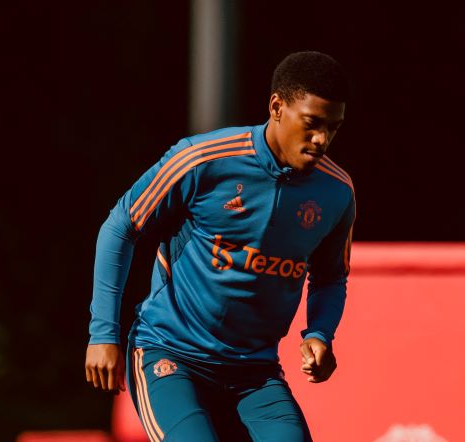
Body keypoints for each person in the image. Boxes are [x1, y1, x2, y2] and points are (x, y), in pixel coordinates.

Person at [85, 51, 355, 441]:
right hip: (170, 355)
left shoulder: (337, 192)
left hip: (254, 374)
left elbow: (330, 278)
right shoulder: (202, 159)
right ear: (276, 107)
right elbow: (121, 226)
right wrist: (103, 334)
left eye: (333, 128)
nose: (321, 140)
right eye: (312, 124)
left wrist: (320, 333)